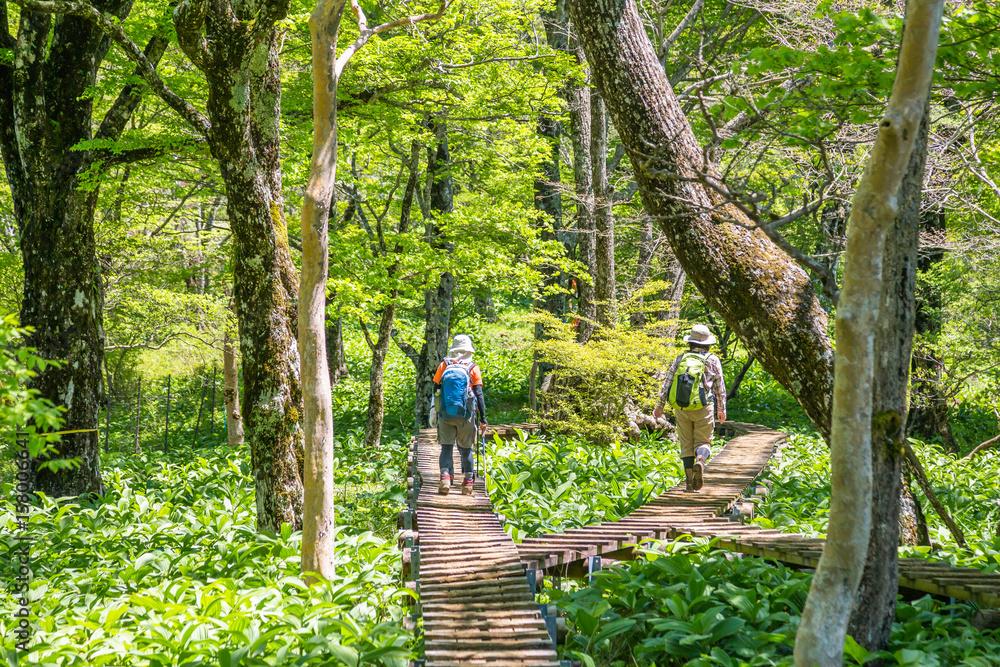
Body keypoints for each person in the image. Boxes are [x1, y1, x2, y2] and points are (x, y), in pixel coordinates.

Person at [653, 324, 727, 492]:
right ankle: (700, 461)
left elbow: (668, 383)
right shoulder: (712, 359)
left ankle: (689, 483)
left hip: (681, 407)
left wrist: (660, 407)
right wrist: (721, 409)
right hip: (703, 406)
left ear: (690, 343)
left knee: (686, 444)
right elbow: (719, 386)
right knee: (704, 441)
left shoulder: (681, 358)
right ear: (707, 343)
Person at [432, 334, 488, 495]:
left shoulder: (444, 364)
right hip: (466, 416)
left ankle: (445, 478)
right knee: (466, 449)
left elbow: (436, 388)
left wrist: (436, 411)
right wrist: (483, 419)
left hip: (445, 414)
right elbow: (479, 394)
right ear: (469, 349)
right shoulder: (472, 367)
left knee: (446, 448)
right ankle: (468, 483)